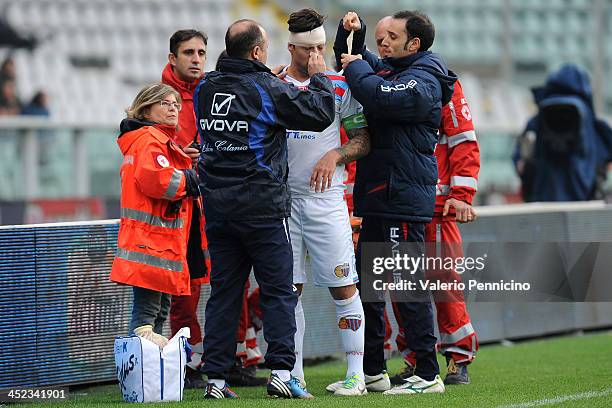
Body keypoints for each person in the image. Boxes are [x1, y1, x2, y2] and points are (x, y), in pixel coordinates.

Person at [335, 12, 480, 386]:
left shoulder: (429, 81)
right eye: (379, 38)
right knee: (386, 283)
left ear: (412, 43)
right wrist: (354, 37)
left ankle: (454, 358)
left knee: (438, 282)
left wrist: (461, 193)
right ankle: (409, 361)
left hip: (433, 199)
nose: (383, 45)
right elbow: (370, 69)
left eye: (390, 37)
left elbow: (463, 138)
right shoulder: (395, 71)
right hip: (394, 194)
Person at [194, 19, 335, 399]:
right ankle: (282, 374)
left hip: (219, 210)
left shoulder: (204, 87)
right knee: (278, 292)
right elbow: (319, 112)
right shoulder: (268, 87)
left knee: (225, 294)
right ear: (257, 52)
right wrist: (320, 77)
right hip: (262, 208)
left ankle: (217, 382)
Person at [275, 8, 371, 396]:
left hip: (325, 200)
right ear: (291, 48)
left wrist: (334, 156)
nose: (316, 54)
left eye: (320, 46)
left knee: (343, 286)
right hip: (282, 202)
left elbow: (364, 140)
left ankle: (356, 375)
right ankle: (293, 374)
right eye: (307, 48)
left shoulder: (339, 85)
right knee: (288, 290)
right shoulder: (273, 84)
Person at [110, 83, 201, 348]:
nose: (173, 108)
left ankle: (150, 379)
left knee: (157, 314)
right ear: (146, 109)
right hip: (150, 244)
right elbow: (159, 181)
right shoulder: (149, 139)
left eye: (176, 104)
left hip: (154, 243)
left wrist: (183, 162)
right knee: (146, 321)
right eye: (165, 104)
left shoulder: (154, 141)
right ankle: (142, 377)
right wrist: (190, 177)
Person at [160, 28, 210, 389]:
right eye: (189, 52)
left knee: (227, 281)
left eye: (201, 53)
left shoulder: (211, 94)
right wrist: (183, 157)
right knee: (183, 286)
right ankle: (184, 359)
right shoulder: (161, 100)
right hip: (179, 207)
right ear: (172, 58)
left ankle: (235, 353)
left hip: (213, 202)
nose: (196, 59)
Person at [513, 63, 612, 202]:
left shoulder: (536, 120)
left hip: (542, 206)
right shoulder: (593, 121)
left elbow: (520, 162)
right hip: (584, 206)